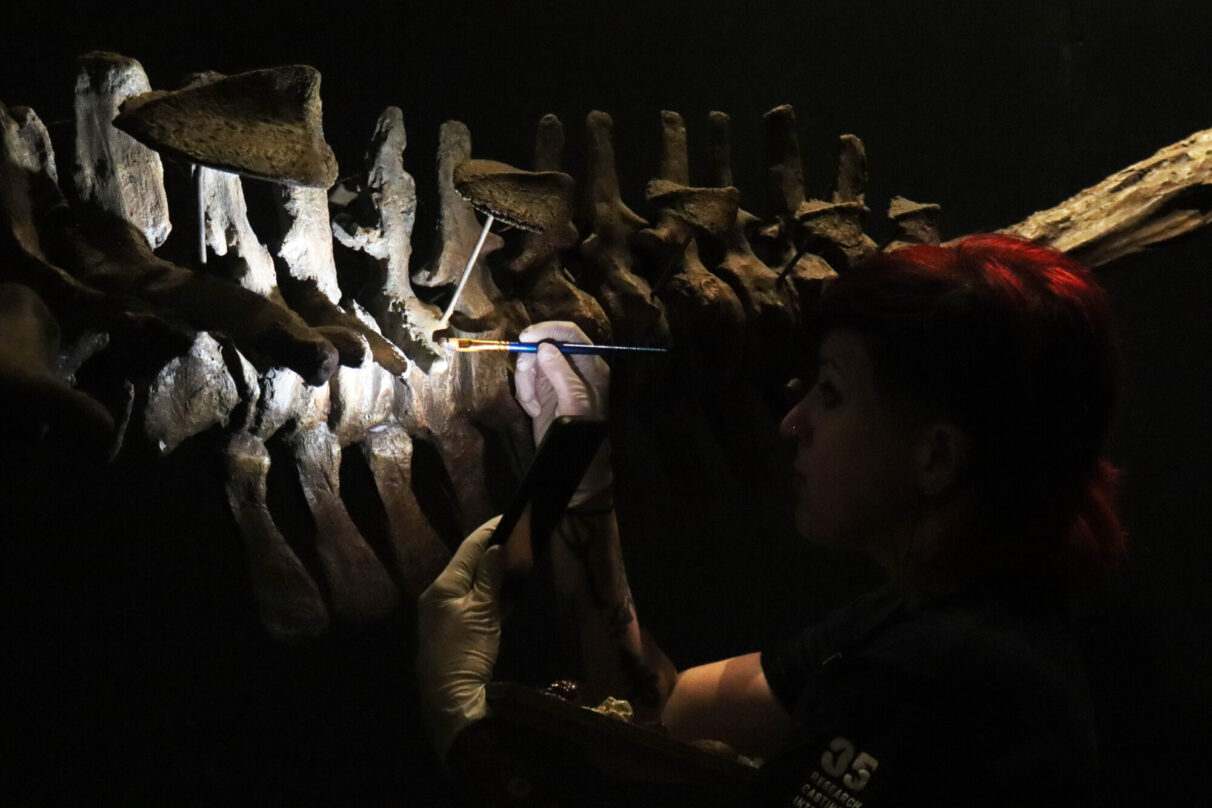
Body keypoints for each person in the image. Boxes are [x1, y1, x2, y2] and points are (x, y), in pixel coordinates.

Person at [416, 234, 1124, 806]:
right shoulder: (922, 618)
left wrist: (470, 742)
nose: (793, 422)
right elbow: (665, 711)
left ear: (936, 455)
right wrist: (583, 480)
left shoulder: (940, 683)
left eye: (832, 392)